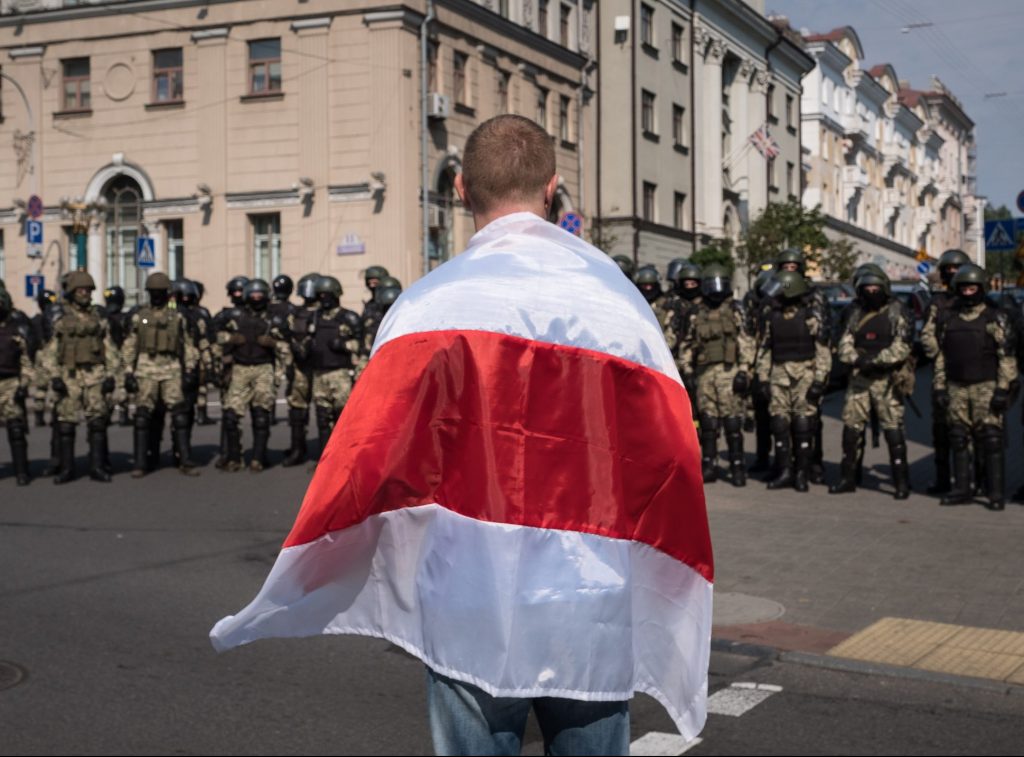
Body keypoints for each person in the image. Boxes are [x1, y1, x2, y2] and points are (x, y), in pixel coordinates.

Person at [211, 115, 712, 756]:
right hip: (589, 596)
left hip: (470, 588)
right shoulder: (620, 303)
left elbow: (372, 455)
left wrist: (333, 564)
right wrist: (663, 580)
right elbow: (670, 455)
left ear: (459, 189)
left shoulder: (428, 304)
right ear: (554, 188)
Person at [933, 265, 1018, 509]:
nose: (968, 293)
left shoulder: (995, 317)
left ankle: (995, 494)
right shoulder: (948, 318)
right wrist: (939, 387)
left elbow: (1007, 357)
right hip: (956, 386)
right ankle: (962, 489)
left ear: (981, 288)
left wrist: (1002, 389)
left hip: (986, 386)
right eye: (964, 289)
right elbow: (941, 356)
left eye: (973, 288)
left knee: (991, 439)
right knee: (958, 438)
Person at [829, 271, 914, 499]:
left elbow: (903, 345)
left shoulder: (898, 312)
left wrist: (875, 361)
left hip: (886, 379)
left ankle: (901, 482)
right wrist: (857, 359)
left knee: (893, 429)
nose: (871, 292)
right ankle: (848, 477)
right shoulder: (854, 312)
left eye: (876, 288)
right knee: (851, 428)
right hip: (859, 378)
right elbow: (842, 341)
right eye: (867, 288)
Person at [39, 271, 119, 484]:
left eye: (88, 290)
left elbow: (109, 348)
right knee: (66, 424)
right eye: (81, 290)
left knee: (98, 423)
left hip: (94, 375)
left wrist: (112, 375)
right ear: (72, 292)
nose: (85, 294)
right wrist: (55, 376)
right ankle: (67, 468)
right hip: (69, 376)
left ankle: (97, 467)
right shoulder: (61, 319)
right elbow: (50, 352)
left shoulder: (99, 318)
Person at [679, 264, 754, 486]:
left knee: (732, 422)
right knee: (709, 423)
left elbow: (746, 341)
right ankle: (709, 465)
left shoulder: (736, 309)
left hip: (729, 372)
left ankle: (737, 466)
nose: (717, 290)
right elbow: (688, 344)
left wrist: (744, 371)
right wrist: (688, 370)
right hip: (705, 374)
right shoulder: (696, 312)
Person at [756, 270, 831, 492]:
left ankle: (801, 472)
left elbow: (823, 351)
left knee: (803, 423)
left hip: (805, 375)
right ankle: (785, 470)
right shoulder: (773, 316)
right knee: (779, 423)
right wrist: (762, 378)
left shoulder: (811, 316)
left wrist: (819, 380)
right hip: (779, 374)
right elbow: (765, 349)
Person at [122, 273, 201, 476]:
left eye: (161, 293)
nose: (157, 296)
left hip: (171, 367)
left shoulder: (178, 316)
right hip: (146, 367)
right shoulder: (139, 315)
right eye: (153, 293)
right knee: (142, 416)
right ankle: (141, 462)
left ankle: (185, 459)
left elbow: (189, 345)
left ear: (168, 293)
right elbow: (130, 345)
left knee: (180, 415)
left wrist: (190, 369)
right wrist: (128, 372)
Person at [216, 279, 289, 472]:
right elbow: (215, 336)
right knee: (231, 415)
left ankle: (258, 457)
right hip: (240, 369)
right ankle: (234, 457)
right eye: (253, 294)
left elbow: (287, 348)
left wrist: (273, 344)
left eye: (260, 294)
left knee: (261, 415)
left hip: (263, 369)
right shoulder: (235, 317)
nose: (256, 298)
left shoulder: (274, 319)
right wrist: (230, 339)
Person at [919, 248, 971, 495]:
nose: (952, 274)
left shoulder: (979, 299)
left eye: (957, 269)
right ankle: (942, 480)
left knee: (976, 432)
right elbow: (927, 336)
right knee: (941, 430)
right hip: (944, 374)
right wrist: (941, 356)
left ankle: (975, 480)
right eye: (948, 270)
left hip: (975, 374)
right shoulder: (938, 303)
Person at [281, 273, 320, 467]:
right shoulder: (295, 313)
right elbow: (284, 338)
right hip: (299, 367)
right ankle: (298, 448)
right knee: (297, 409)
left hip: (322, 367)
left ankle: (326, 454)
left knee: (325, 412)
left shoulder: (327, 312)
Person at [0, 289, 33, 485]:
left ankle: (22, 471)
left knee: (16, 429)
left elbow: (27, 363)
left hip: (11, 383)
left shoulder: (16, 330)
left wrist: (24, 384)